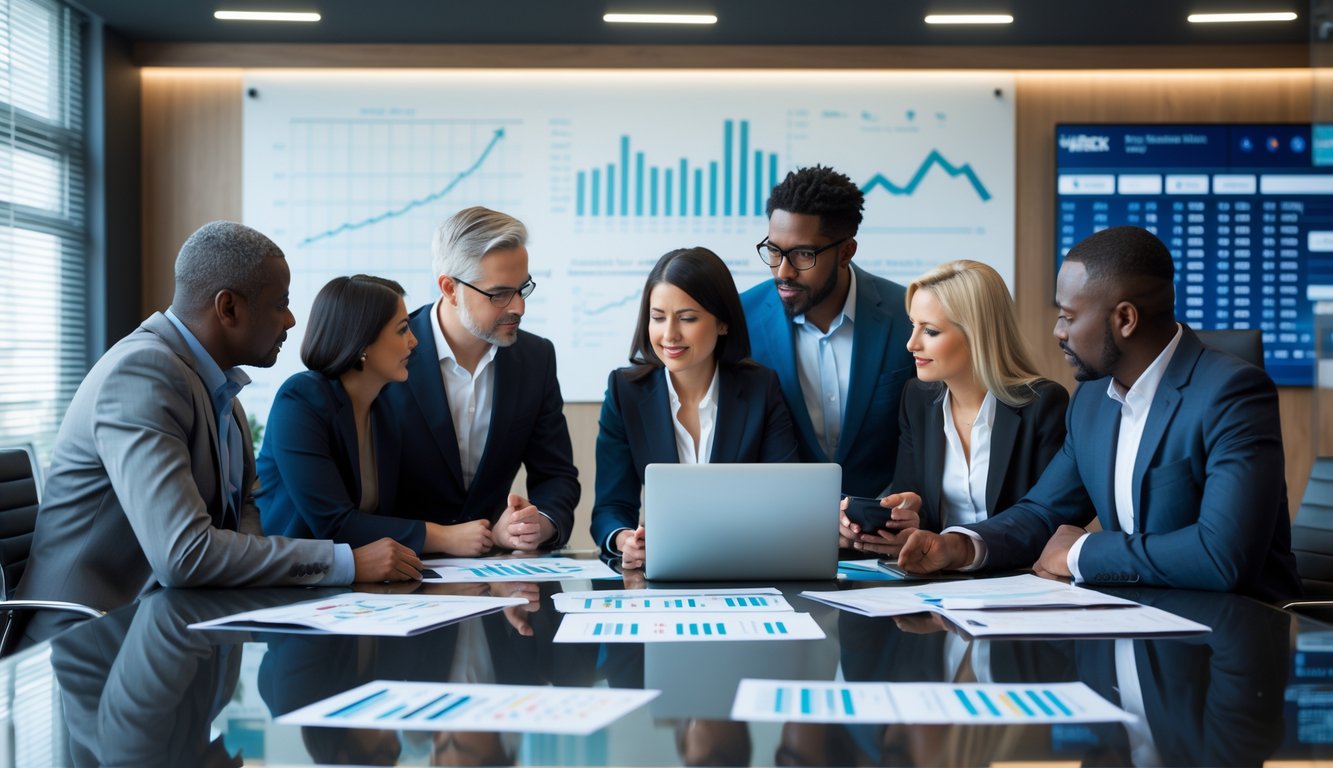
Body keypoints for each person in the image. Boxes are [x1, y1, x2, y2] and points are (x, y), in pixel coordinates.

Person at [16, 221, 422, 642]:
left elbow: (240, 521)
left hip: (167, 624)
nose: (291, 318)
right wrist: (346, 563)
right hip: (86, 642)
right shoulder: (142, 373)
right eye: (279, 303)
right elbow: (185, 553)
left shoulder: (220, 387)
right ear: (227, 308)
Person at [898, 226, 1302, 602]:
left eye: (1069, 317)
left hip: (1231, 641)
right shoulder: (1092, 399)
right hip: (1139, 621)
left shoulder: (1233, 394)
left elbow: (1222, 554)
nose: (1058, 331)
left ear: (1125, 319)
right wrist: (960, 546)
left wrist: (1083, 552)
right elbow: (1043, 511)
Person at [380, 207, 579, 554]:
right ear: (450, 288)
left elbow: (556, 475)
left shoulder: (536, 358)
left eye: (523, 289)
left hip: (493, 570)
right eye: (500, 293)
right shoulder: (389, 352)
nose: (518, 307)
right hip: (398, 567)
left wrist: (538, 523)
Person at [839, 260, 1068, 555]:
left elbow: (1047, 520)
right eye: (913, 326)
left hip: (1015, 578)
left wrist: (958, 549)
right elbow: (918, 507)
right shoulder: (917, 398)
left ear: (978, 335)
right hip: (937, 580)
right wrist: (907, 518)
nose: (911, 344)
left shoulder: (1043, 405)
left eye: (930, 331)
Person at [591, 247, 799, 567]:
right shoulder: (625, 392)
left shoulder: (761, 389)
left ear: (722, 324)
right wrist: (625, 540)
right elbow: (610, 508)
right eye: (658, 317)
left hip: (743, 567)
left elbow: (785, 499)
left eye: (687, 318)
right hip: (663, 572)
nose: (670, 335)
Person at [257, 274, 490, 554]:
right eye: (403, 329)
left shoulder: (385, 408)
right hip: (292, 582)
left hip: (359, 586)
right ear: (363, 341)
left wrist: (495, 532)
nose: (414, 341)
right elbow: (333, 524)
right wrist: (443, 537)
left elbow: (405, 508)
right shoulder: (301, 400)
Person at [741, 165, 915, 500]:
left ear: (846, 252)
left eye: (803, 254)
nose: (783, 271)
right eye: (774, 250)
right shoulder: (740, 319)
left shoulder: (906, 314)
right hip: (781, 527)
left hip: (883, 531)